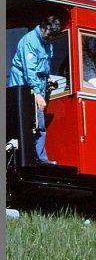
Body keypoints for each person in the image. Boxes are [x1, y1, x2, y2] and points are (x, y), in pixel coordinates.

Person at [7, 16, 62, 165]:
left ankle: (37, 157)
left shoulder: (47, 43)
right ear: (44, 27)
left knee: (37, 123)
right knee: (37, 124)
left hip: (38, 85)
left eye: (54, 36)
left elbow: (43, 66)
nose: (51, 38)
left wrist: (49, 78)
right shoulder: (30, 41)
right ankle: (39, 159)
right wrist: (37, 94)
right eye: (50, 34)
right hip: (25, 87)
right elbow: (29, 71)